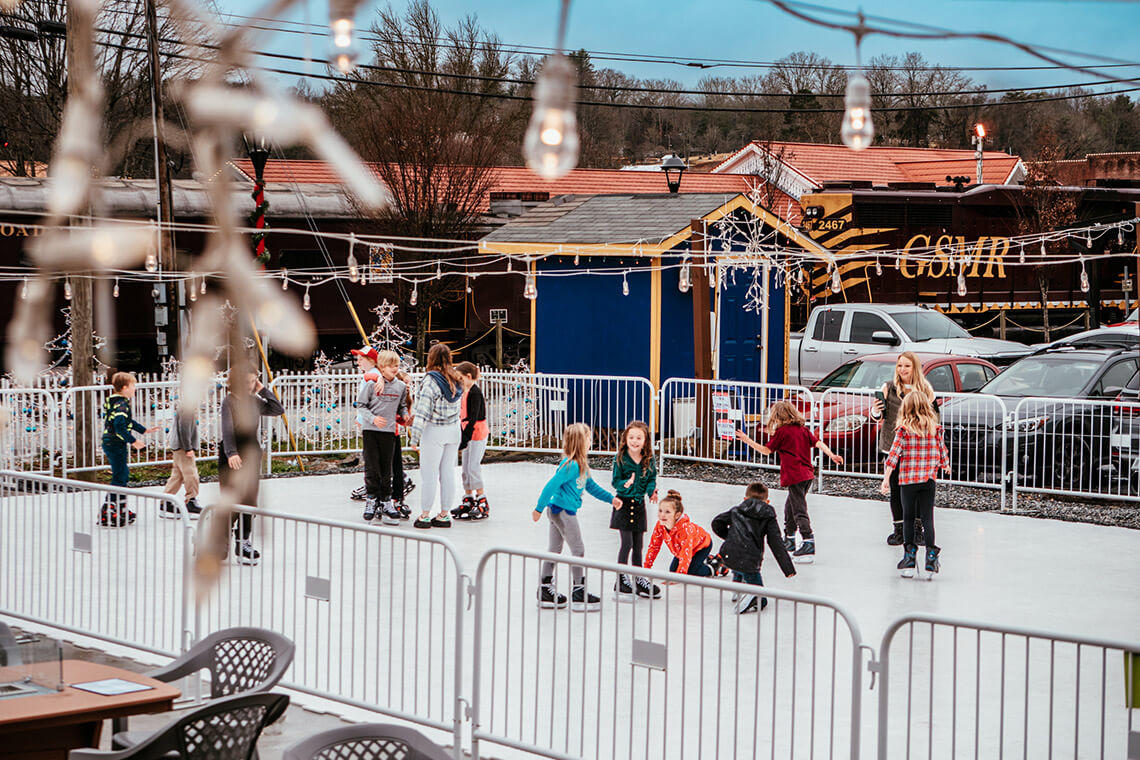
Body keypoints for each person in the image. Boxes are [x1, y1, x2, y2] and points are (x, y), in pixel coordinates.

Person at [735, 401, 843, 563]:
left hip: (795, 476)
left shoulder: (782, 432)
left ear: (777, 416)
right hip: (807, 475)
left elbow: (766, 451)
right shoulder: (803, 430)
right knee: (790, 506)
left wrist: (747, 440)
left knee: (798, 509)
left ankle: (808, 541)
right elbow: (818, 443)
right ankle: (790, 538)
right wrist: (832, 455)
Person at [532, 423, 621, 610]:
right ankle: (578, 590)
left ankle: (545, 588)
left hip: (559, 511)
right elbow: (551, 485)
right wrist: (539, 508)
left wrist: (611, 499)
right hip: (563, 512)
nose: (591, 441)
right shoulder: (571, 466)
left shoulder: (582, 467)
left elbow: (592, 488)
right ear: (581, 442)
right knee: (578, 550)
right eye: (588, 439)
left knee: (555, 549)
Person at [881, 391, 950, 579]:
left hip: (908, 481)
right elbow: (941, 449)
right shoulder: (935, 428)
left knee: (909, 518)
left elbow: (893, 456)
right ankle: (930, 557)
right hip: (928, 480)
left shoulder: (903, 430)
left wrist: (886, 478)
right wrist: (946, 465)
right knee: (928, 519)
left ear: (906, 408)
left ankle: (909, 558)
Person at [869, 351, 936, 546]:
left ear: (914, 367)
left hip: (917, 449)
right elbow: (878, 417)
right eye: (900, 365)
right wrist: (875, 410)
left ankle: (917, 530)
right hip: (892, 445)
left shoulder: (926, 389)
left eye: (907, 366)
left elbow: (934, 417)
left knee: (915, 491)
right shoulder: (889, 388)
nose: (902, 369)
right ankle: (899, 530)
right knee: (897, 491)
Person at [219, 368, 285, 565]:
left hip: (251, 453)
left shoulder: (254, 401)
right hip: (233, 453)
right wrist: (231, 453)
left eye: (252, 382)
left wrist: (262, 389)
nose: (249, 385)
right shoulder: (229, 401)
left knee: (249, 500)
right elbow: (227, 429)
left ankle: (243, 541)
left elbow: (277, 409)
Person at [711, 482, 797, 614]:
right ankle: (755, 596)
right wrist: (788, 568)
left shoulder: (736, 510)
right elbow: (776, 542)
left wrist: (730, 538)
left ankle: (737, 587)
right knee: (760, 595)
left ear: (745, 499)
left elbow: (716, 522)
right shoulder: (768, 516)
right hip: (749, 560)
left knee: (737, 562)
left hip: (728, 555)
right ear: (767, 502)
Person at [409, 344, 464, 529]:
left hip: (434, 432)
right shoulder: (456, 379)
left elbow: (423, 411)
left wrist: (414, 438)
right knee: (447, 473)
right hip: (453, 429)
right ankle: (444, 514)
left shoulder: (431, 381)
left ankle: (425, 514)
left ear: (430, 358)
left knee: (429, 474)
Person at [353, 347, 408, 525]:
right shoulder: (372, 384)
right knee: (372, 466)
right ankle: (371, 499)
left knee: (387, 469)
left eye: (397, 365)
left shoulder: (400, 387)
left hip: (388, 432)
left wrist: (404, 415)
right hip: (371, 431)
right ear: (382, 367)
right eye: (391, 365)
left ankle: (386, 499)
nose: (395, 368)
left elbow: (402, 406)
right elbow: (361, 405)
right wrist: (372, 418)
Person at [100, 372, 158, 526]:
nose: (135, 389)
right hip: (114, 442)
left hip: (111, 442)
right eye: (133, 386)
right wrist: (133, 441)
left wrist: (144, 430)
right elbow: (119, 426)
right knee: (120, 476)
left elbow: (128, 421)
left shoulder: (116, 401)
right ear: (125, 387)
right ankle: (111, 509)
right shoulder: (122, 405)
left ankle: (117, 506)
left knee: (121, 474)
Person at [610, 420, 660, 600]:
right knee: (627, 543)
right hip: (623, 504)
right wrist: (626, 483)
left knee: (638, 545)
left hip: (639, 506)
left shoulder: (649, 459)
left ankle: (638, 579)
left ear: (645, 440)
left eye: (639, 438)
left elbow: (651, 478)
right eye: (631, 437)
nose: (635, 441)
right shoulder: (620, 458)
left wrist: (651, 491)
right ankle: (621, 579)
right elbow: (615, 482)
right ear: (626, 439)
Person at [644, 490, 715, 578]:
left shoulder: (684, 529)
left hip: (701, 546)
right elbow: (654, 546)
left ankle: (715, 567)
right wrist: (646, 568)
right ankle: (707, 559)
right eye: (660, 511)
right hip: (682, 551)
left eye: (667, 512)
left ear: (677, 515)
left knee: (690, 572)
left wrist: (679, 578)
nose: (662, 515)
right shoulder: (660, 525)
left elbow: (686, 554)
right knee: (673, 571)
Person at [452, 362, 490, 520]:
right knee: (465, 468)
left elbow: (473, 417)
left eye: (460, 378)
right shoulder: (464, 391)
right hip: (467, 432)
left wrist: (465, 436)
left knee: (473, 466)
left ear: (468, 377)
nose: (458, 381)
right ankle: (468, 496)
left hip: (476, 433)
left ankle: (482, 499)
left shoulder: (475, 393)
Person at [162, 404, 201, 519]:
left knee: (177, 476)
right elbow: (184, 428)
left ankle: (166, 503)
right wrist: (188, 448)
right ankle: (191, 501)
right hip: (183, 447)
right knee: (191, 474)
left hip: (178, 445)